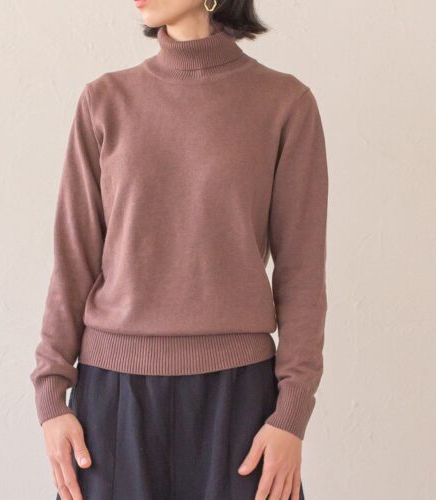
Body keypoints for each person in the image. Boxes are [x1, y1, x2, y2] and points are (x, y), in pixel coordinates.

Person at [29, 1, 328, 499]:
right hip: (113, 398)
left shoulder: (284, 103)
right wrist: (50, 396)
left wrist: (291, 415)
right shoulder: (105, 100)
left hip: (240, 401)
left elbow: (302, 274)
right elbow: (73, 259)